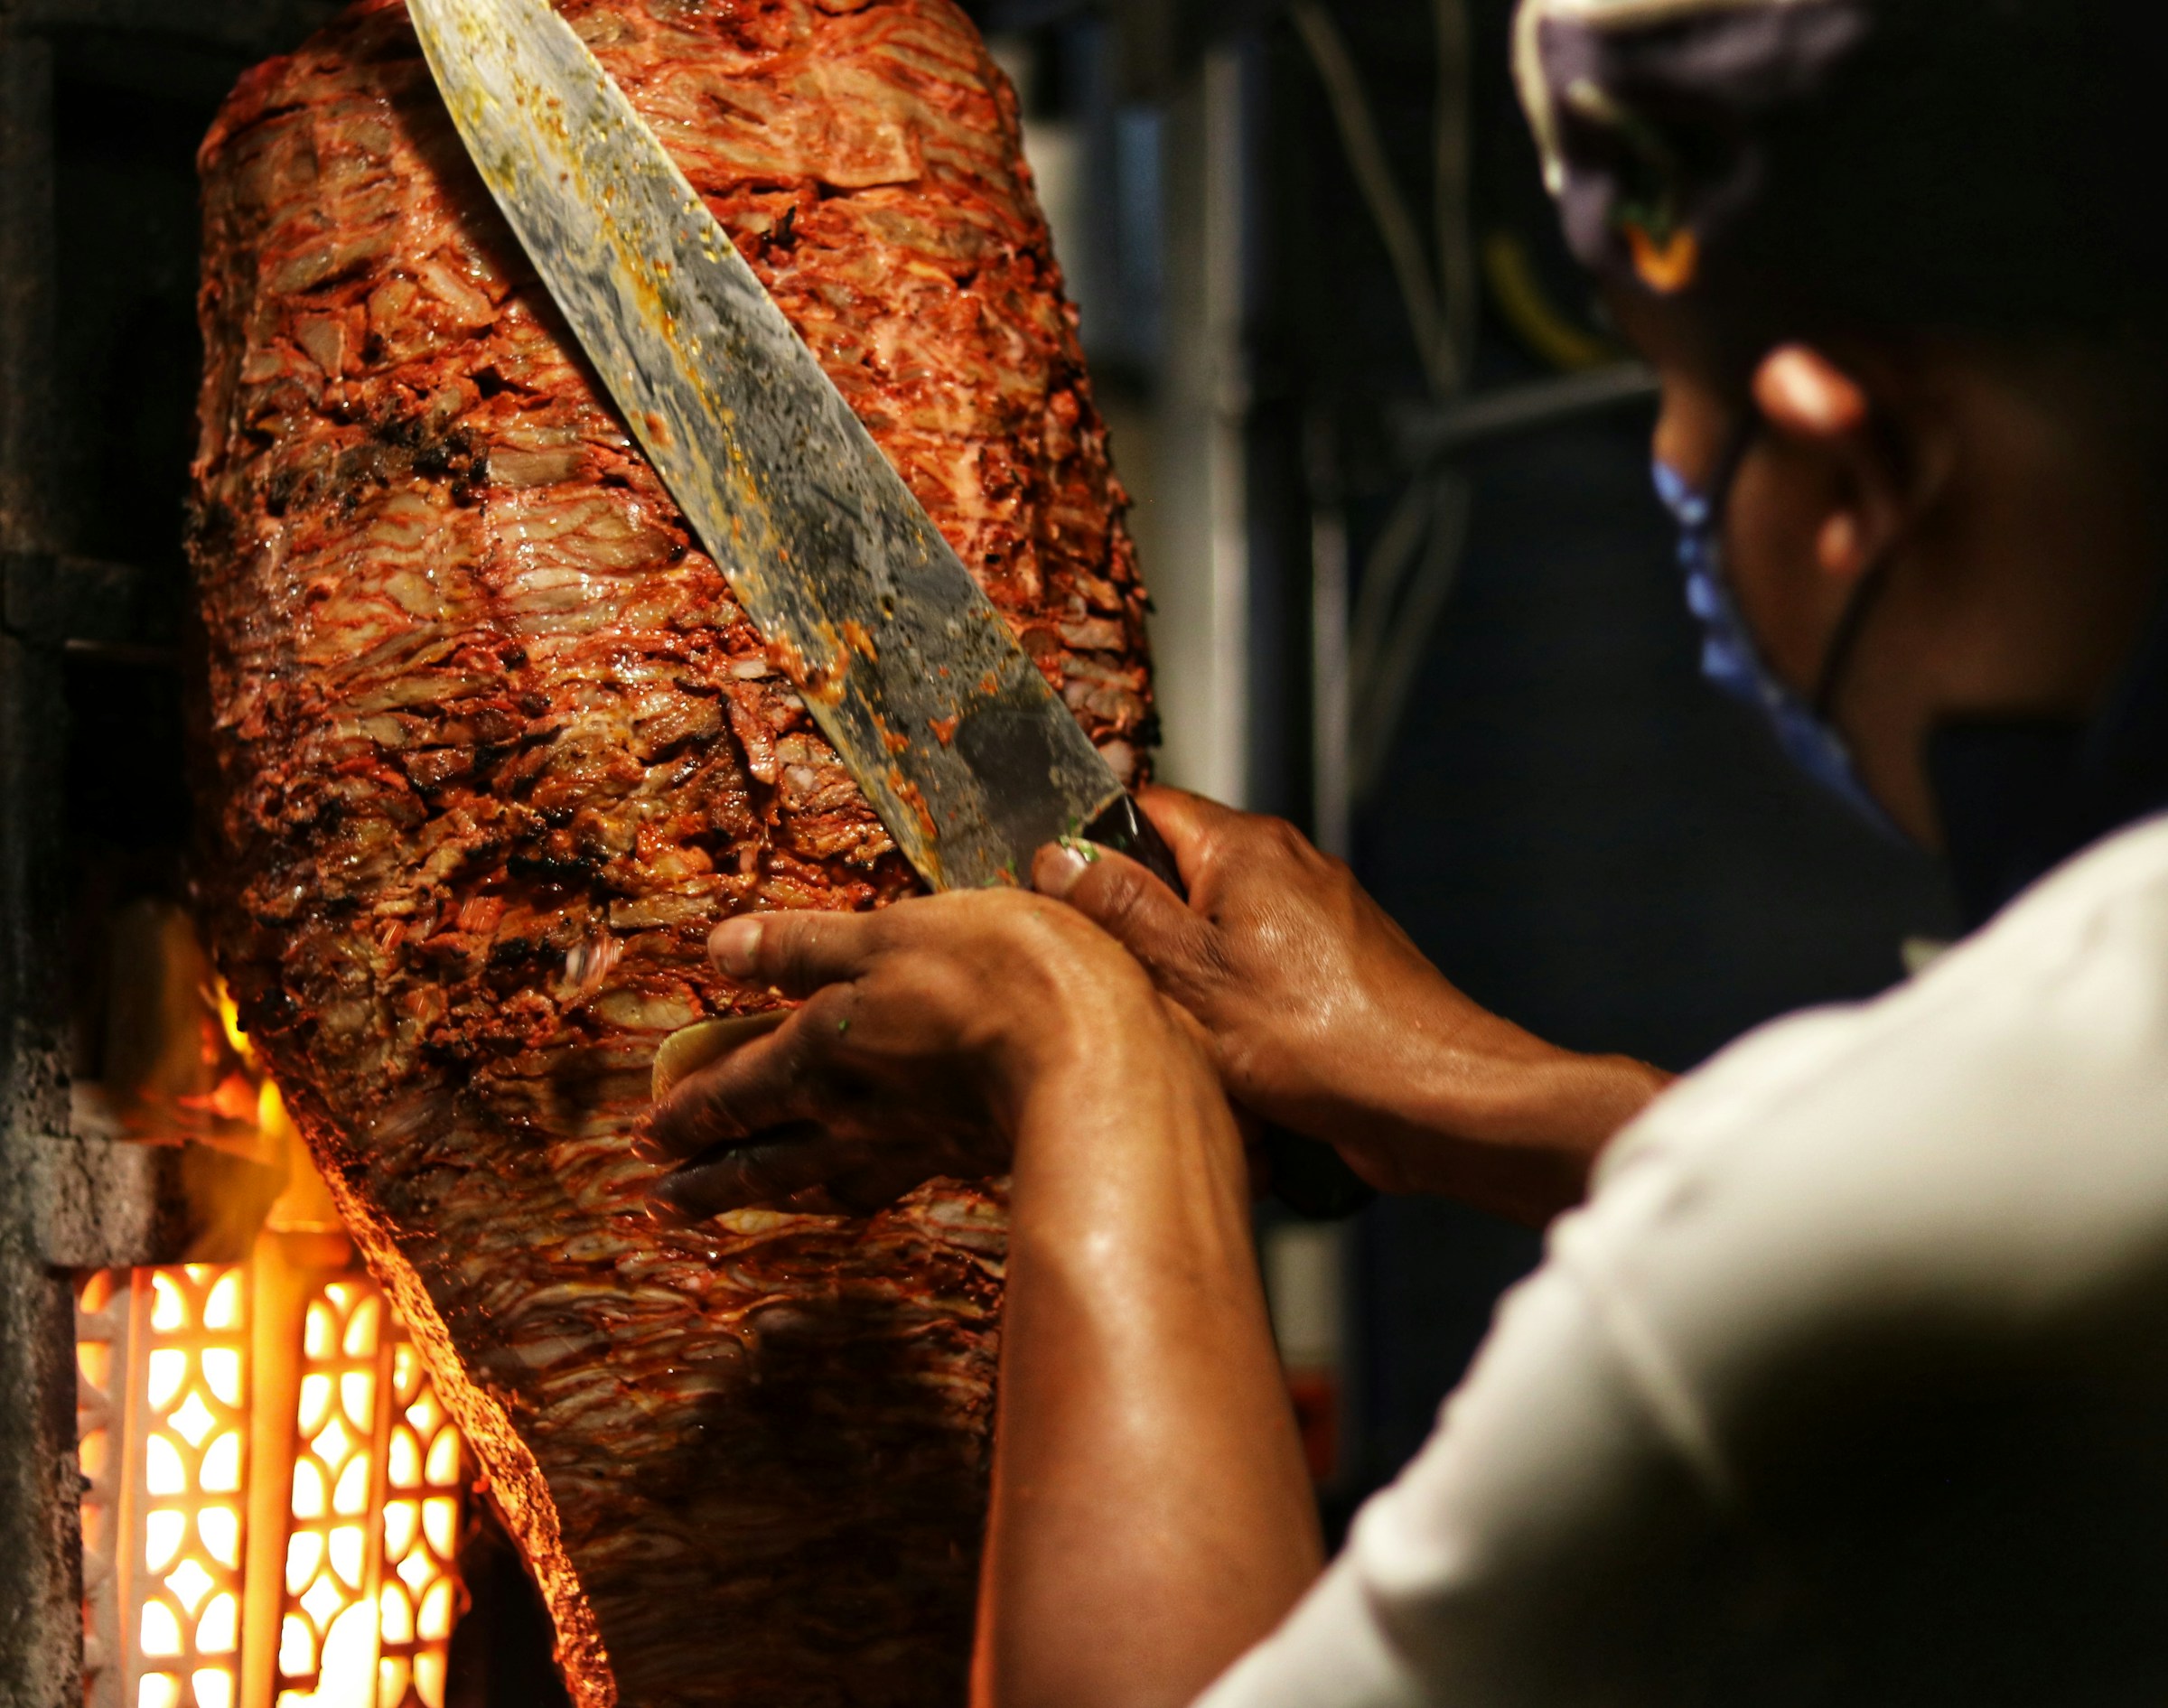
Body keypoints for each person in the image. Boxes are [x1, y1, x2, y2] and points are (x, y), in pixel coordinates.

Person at [639, 0, 2168, 1701]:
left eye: (1667, 388)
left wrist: (1087, 1065)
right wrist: (1472, 1089)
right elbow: (1954, 1195)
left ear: (1849, 466)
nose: (1666, 465)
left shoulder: (1849, 1255)